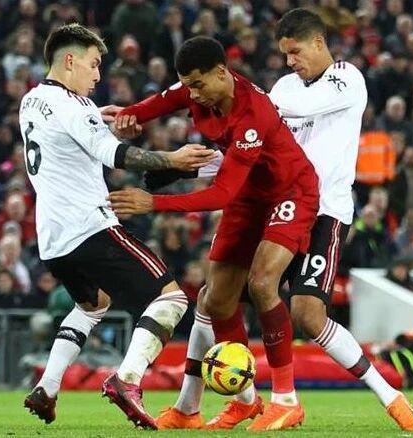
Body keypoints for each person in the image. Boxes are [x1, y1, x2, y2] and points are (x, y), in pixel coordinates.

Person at [117, 9, 413, 432]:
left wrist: (245, 96)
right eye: (284, 54)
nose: (289, 61)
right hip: (272, 199)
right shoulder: (280, 87)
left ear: (319, 43)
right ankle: (200, 405)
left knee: (308, 315)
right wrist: (188, 163)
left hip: (324, 208)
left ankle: (389, 397)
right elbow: (257, 151)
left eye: (295, 52)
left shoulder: (346, 78)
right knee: (212, 297)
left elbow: (270, 116)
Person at [109, 35, 320, 430]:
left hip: (289, 192)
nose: (193, 94)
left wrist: (154, 203)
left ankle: (286, 399)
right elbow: (163, 101)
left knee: (262, 284)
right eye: (187, 85)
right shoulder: (199, 88)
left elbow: (221, 193)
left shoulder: (252, 114)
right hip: (248, 196)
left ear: (222, 73)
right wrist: (129, 114)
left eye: (198, 84)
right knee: (217, 300)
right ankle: (243, 401)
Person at [20, 23, 216, 429]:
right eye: (93, 64)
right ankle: (127, 379)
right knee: (172, 299)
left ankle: (47, 387)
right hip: (90, 227)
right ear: (70, 60)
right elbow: (116, 155)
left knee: (92, 305)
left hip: (53, 240)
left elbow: (63, 126)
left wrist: (95, 115)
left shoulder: (32, 100)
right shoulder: (74, 108)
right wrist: (173, 160)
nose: (98, 75)